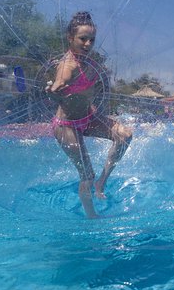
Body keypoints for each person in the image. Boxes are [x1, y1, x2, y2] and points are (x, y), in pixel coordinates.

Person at [47, 11, 132, 218]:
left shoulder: (89, 62)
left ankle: (101, 182)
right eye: (82, 39)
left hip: (88, 117)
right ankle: (92, 216)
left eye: (91, 40)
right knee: (86, 174)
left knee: (125, 135)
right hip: (66, 126)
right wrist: (55, 87)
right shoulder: (68, 64)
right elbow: (61, 80)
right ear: (70, 38)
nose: (87, 44)